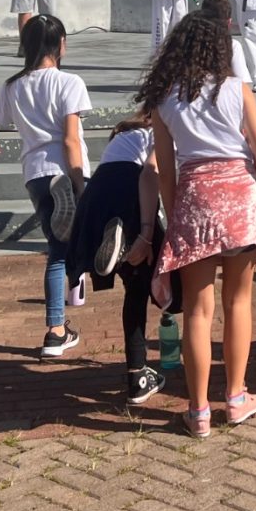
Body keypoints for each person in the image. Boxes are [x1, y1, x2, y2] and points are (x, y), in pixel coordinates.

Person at [140, 13, 256, 439]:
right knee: (238, 303)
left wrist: (175, 210)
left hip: (195, 200)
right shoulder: (237, 89)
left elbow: (165, 169)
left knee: (198, 313)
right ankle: (236, 397)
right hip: (241, 199)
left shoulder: (165, 100)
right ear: (221, 49)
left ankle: (198, 410)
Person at [0, 15, 91, 359]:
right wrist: (80, 183)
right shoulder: (69, 83)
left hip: (36, 175)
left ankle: (74, 286)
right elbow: (70, 140)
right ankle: (56, 330)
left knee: (59, 244)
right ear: (61, 46)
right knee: (63, 249)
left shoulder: (13, 85)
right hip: (65, 170)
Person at [64, 110, 168, 406]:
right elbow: (154, 172)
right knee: (157, 276)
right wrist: (149, 232)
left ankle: (97, 249)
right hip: (131, 188)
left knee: (135, 286)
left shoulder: (124, 132)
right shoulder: (159, 131)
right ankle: (138, 375)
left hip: (97, 193)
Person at [198, 0, 252, 82]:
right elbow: (242, 82)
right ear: (229, 22)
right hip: (221, 93)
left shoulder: (186, 42)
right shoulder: (232, 45)